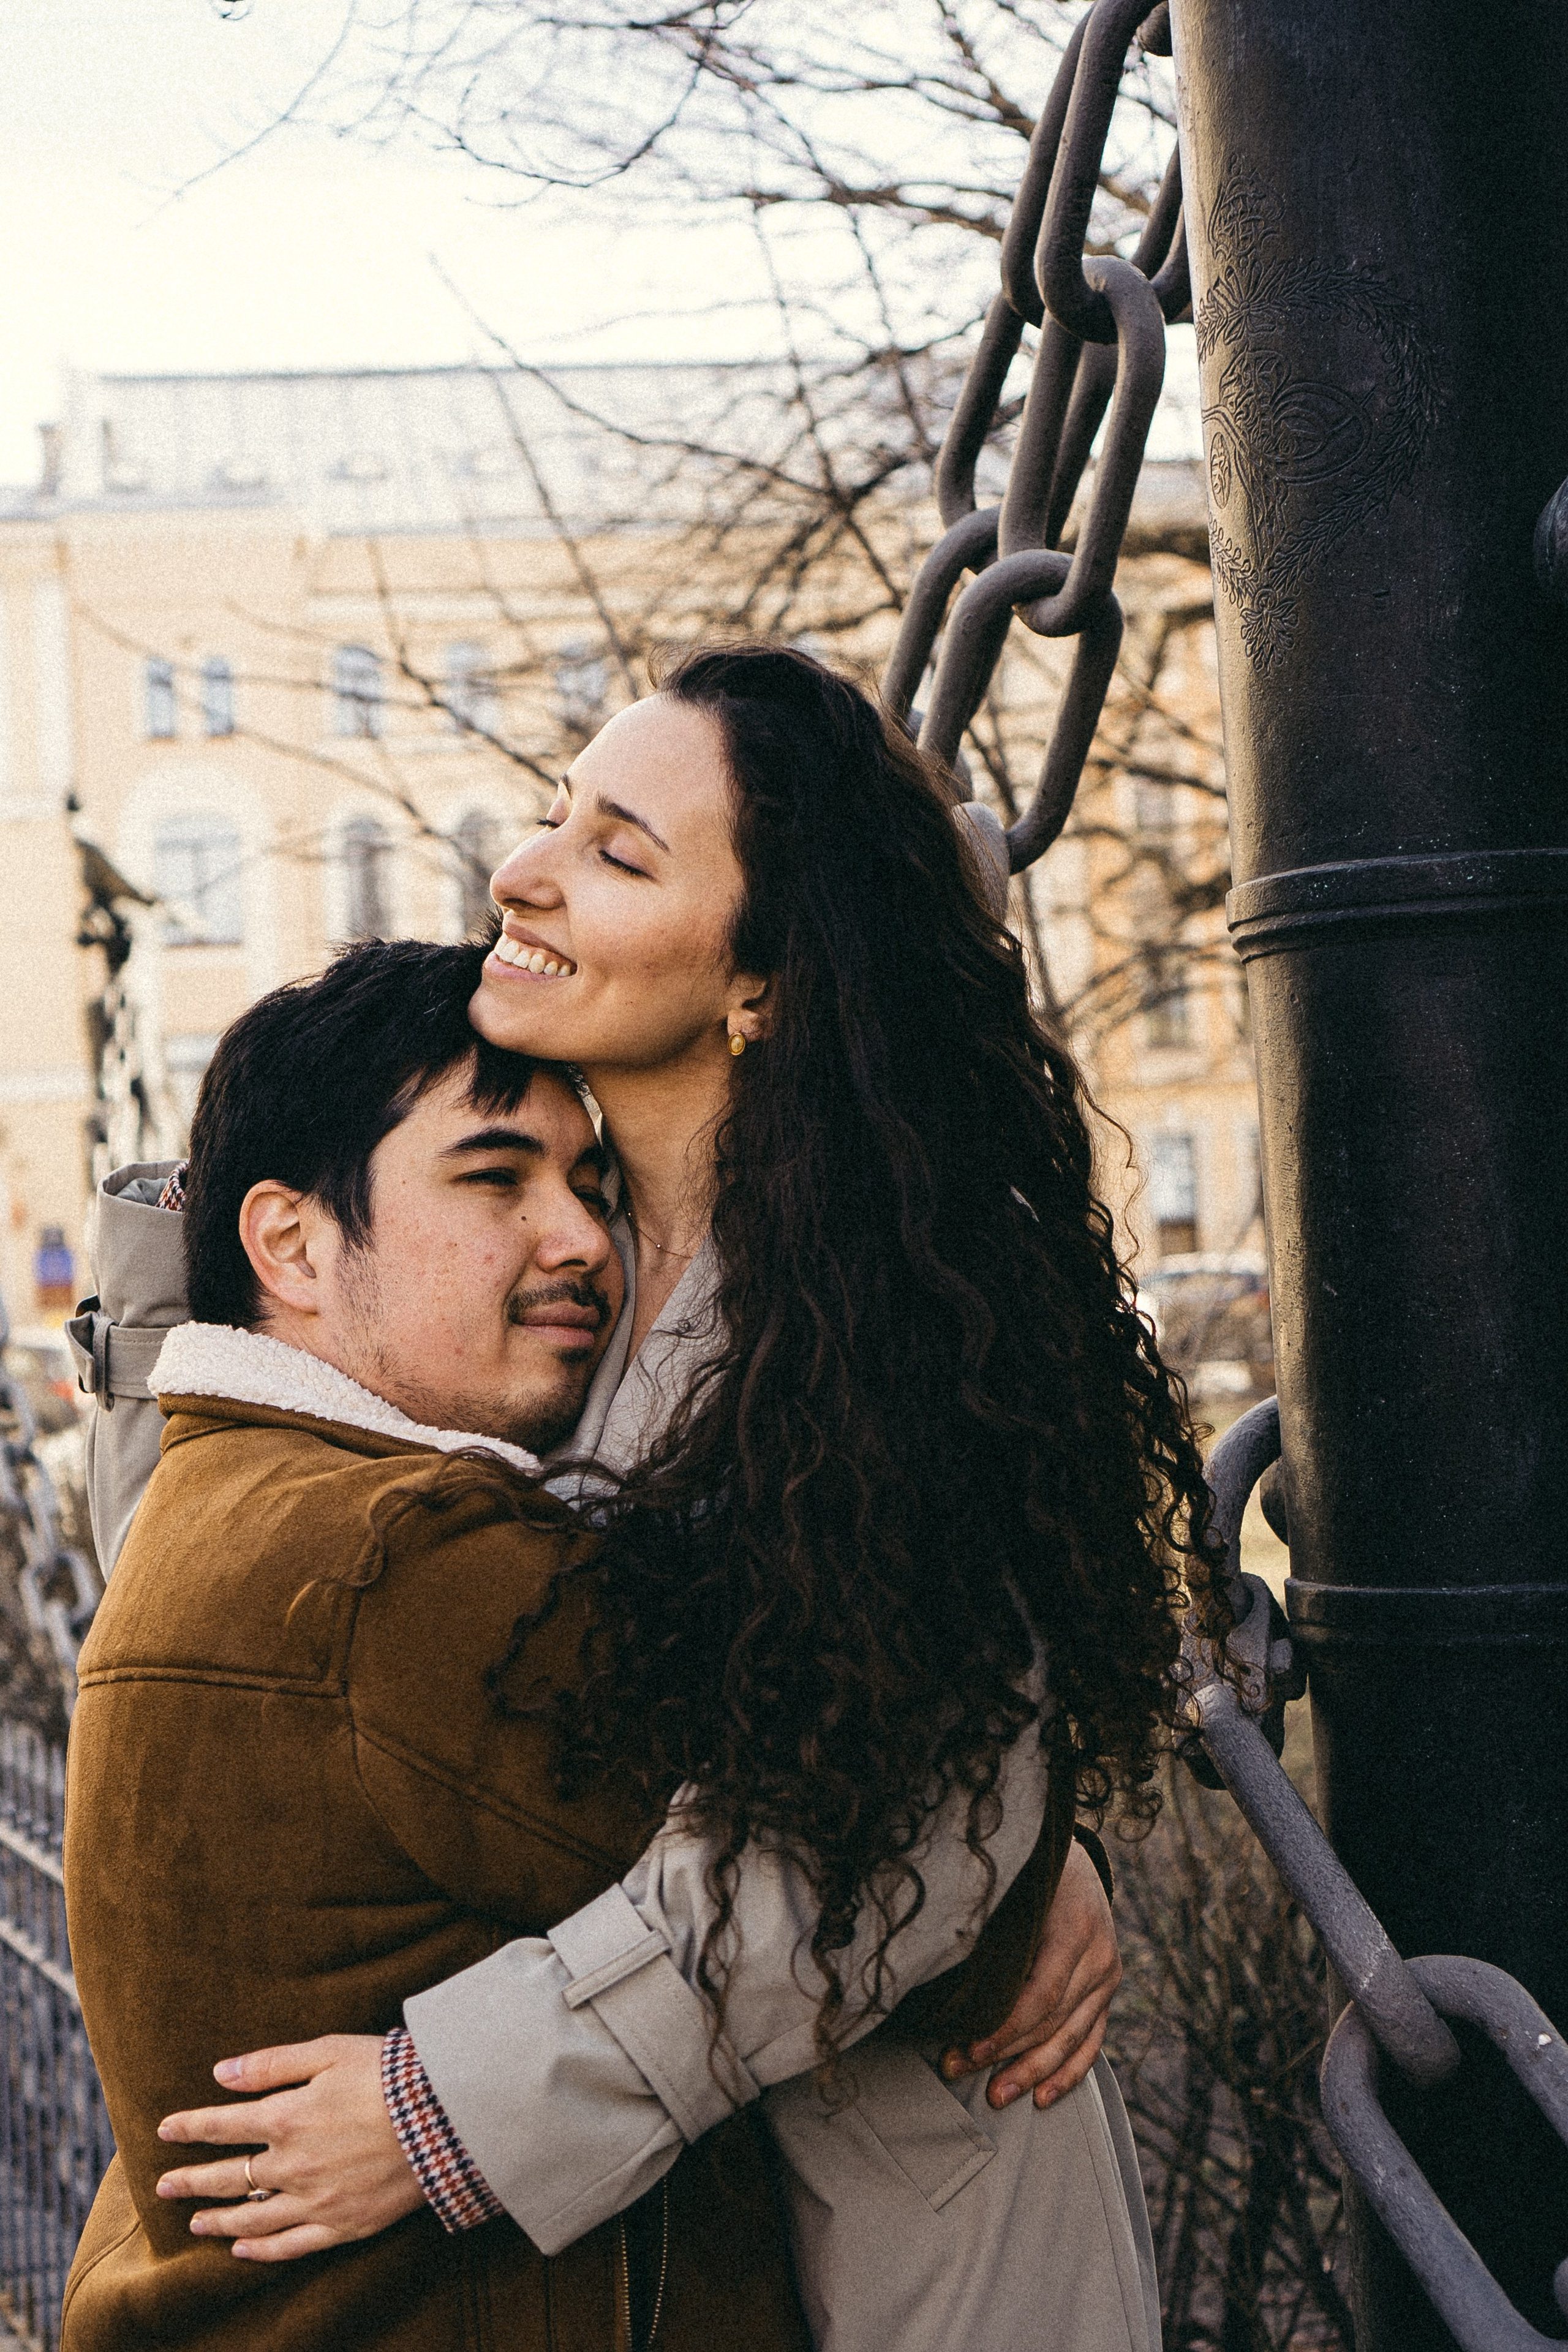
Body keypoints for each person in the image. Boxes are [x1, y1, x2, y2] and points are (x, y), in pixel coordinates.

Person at [137, 644, 1220, 2348]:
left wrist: (441, 2115)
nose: (525, 865)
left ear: (761, 989)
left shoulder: (879, 1324)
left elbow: (852, 1844)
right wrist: (1004, 1849)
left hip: (916, 2241)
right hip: (690, 2243)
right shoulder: (583, 1274)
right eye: (561, 813)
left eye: (619, 852)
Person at [64, 940, 1076, 2350]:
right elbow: (892, 1880)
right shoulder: (405, 1556)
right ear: (287, 1244)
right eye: (495, 1180)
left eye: (595, 1188)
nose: (580, 1241)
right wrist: (1043, 1862)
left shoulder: (224, 1496)